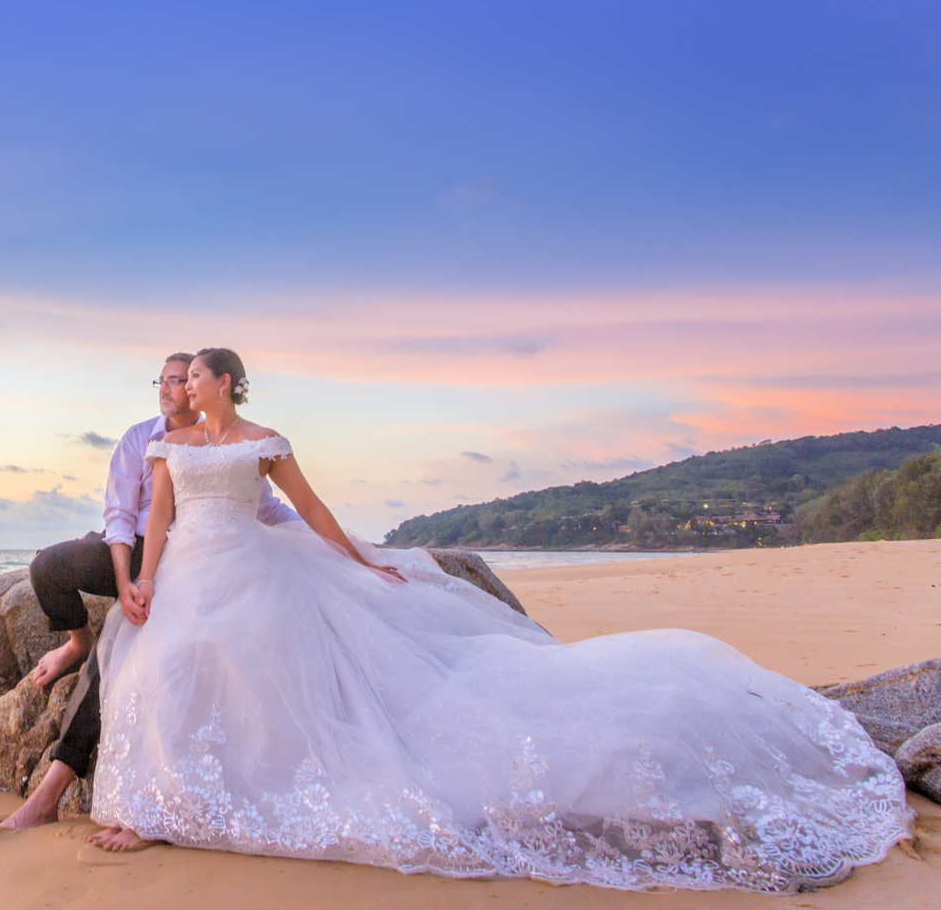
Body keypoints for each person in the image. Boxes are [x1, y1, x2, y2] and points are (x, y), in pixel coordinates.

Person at [85, 348, 911, 891]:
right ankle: (152, 805)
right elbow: (156, 518)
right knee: (166, 657)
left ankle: (200, 801)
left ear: (225, 380)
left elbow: (309, 505)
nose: (180, 388)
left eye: (192, 376)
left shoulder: (265, 439)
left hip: (258, 565)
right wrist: (143, 580)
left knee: (267, 670)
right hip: (194, 566)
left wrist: (363, 560)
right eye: (178, 379)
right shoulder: (170, 447)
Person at [0, 352, 301, 832]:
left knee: (116, 660)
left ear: (202, 388)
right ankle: (77, 640)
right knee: (48, 567)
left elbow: (261, 505)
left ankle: (51, 789)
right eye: (165, 380)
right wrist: (126, 581)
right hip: (128, 550)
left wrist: (318, 541)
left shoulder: (216, 441)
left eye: (181, 380)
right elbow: (118, 516)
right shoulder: (140, 437)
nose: (169, 387)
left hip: (182, 558)